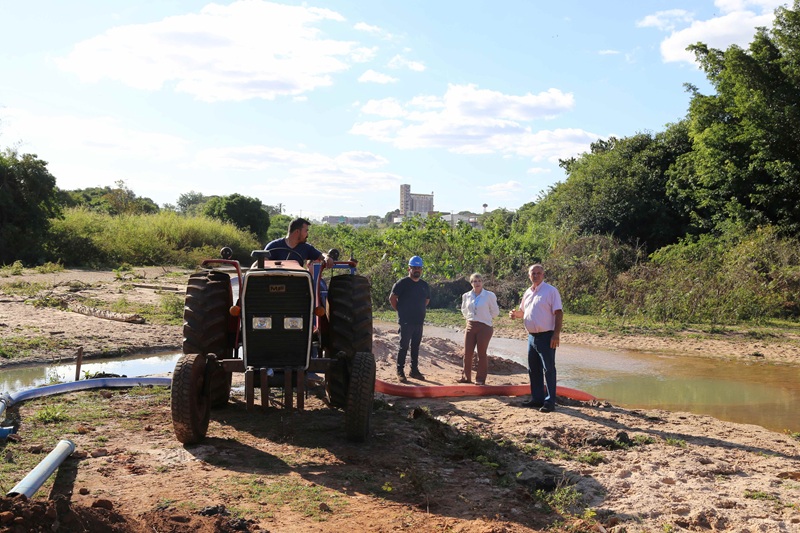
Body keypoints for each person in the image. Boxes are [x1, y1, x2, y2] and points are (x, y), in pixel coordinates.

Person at [509, 264, 563, 413]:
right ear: (529, 275)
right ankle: (537, 398)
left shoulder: (551, 291)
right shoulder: (528, 292)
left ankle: (550, 402)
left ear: (543, 275)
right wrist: (515, 315)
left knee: (549, 369)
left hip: (547, 336)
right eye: (533, 273)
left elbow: (559, 313)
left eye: (539, 273)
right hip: (531, 337)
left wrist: (556, 335)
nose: (536, 275)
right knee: (534, 369)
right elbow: (523, 312)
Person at [389, 256, 430, 382]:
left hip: (418, 321)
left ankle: (414, 370)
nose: (417, 270)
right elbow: (392, 298)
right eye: (414, 268)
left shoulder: (424, 285)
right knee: (404, 346)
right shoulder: (402, 283)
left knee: (416, 346)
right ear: (409, 268)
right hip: (406, 321)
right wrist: (401, 310)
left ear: (421, 269)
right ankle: (400, 371)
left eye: (419, 268)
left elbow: (426, 301)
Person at [459, 273, 499, 385]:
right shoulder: (466, 296)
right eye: (474, 281)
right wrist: (470, 318)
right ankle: (466, 377)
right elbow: (464, 310)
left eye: (479, 281)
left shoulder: (489, 295)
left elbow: (495, 312)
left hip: (485, 327)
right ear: (471, 283)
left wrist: (485, 317)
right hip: (470, 325)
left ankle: (480, 379)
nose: (477, 283)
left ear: (482, 282)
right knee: (467, 352)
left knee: (481, 353)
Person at [264, 217, 334, 268]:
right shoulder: (273, 246)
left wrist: (327, 257)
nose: (307, 235)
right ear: (297, 232)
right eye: (306, 231)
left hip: (297, 285)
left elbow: (321, 255)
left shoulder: (306, 248)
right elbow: (261, 265)